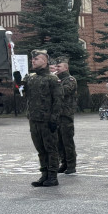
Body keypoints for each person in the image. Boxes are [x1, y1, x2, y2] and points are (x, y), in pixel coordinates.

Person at [24, 49, 62, 188]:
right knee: (40, 149)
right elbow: (22, 93)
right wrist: (18, 83)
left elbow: (58, 100)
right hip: (34, 119)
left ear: (45, 61)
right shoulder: (31, 78)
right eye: (32, 59)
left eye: (36, 59)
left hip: (47, 119)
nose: (33, 61)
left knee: (50, 149)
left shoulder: (52, 79)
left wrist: (54, 119)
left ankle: (52, 176)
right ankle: (44, 174)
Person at [55, 60, 77, 174]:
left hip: (66, 114)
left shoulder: (70, 80)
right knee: (59, 141)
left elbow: (65, 91)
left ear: (66, 68)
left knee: (67, 140)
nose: (57, 68)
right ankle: (63, 163)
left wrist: (55, 83)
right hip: (56, 114)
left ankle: (71, 164)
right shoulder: (57, 79)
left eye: (59, 66)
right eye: (56, 66)